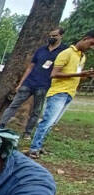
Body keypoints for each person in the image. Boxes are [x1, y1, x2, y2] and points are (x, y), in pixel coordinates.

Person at [28, 30, 94, 159]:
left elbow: (76, 76)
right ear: (85, 38)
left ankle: (39, 146)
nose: (91, 48)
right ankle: (34, 148)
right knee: (47, 121)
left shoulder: (82, 57)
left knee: (53, 122)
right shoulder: (66, 53)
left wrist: (86, 75)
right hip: (58, 92)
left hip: (70, 93)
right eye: (91, 43)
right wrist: (79, 74)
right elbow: (53, 74)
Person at [0, 28, 68, 140]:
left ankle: (27, 132)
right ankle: (0, 126)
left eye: (54, 35)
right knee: (14, 105)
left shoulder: (64, 51)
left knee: (36, 110)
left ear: (61, 36)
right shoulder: (41, 50)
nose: (52, 38)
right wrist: (21, 83)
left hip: (44, 85)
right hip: (29, 83)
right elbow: (30, 67)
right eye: (50, 35)